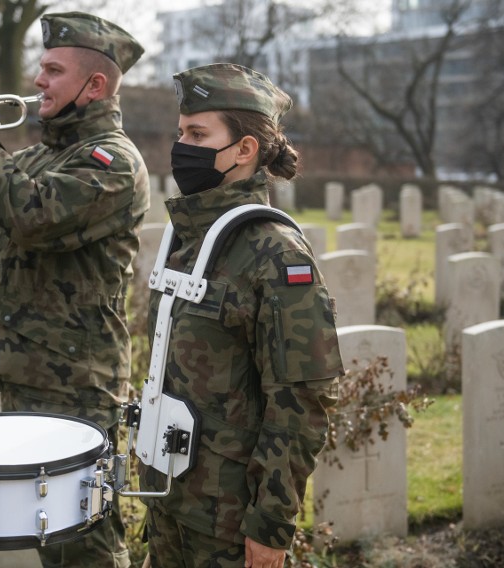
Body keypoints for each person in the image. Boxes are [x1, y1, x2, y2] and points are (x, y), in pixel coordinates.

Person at [0, 11, 149, 568]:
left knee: (86, 543)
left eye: (52, 69)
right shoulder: (43, 154)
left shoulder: (111, 162)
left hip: (76, 383)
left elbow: (32, 214)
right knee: (49, 538)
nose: (38, 81)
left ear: (94, 86)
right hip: (28, 372)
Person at [138, 63, 344, 568]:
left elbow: (301, 399)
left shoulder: (276, 254)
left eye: (197, 134)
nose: (181, 145)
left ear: (244, 150)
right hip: (168, 498)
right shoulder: (188, 239)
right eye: (181, 132)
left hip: (227, 522)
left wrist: (270, 525)